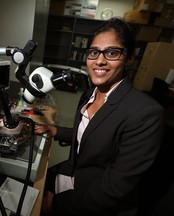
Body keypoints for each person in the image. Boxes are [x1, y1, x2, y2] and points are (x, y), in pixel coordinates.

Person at [36, 17, 164, 216]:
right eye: (94, 52)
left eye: (112, 53)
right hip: (74, 174)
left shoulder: (146, 113)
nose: (100, 60)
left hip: (99, 200)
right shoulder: (89, 94)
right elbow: (91, 135)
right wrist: (55, 130)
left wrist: (56, 204)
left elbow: (115, 187)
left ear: (130, 58)